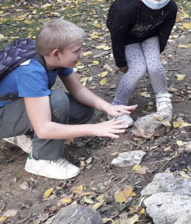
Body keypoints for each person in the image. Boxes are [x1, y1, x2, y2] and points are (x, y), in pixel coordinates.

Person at [0, 19, 135, 180]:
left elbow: (78, 90)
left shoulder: (52, 58)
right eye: (77, 50)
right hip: (3, 116)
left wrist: (108, 107)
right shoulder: (31, 72)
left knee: (82, 110)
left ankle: (21, 132)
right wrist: (95, 129)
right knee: (56, 101)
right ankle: (41, 159)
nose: (81, 54)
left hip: (14, 107)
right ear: (56, 53)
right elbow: (44, 128)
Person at [107, 0, 177, 126]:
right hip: (127, 38)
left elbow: (165, 31)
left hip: (150, 34)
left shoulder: (171, 7)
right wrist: (121, 62)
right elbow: (117, 35)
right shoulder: (126, 8)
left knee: (154, 66)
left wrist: (155, 52)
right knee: (138, 69)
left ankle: (162, 96)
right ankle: (117, 107)